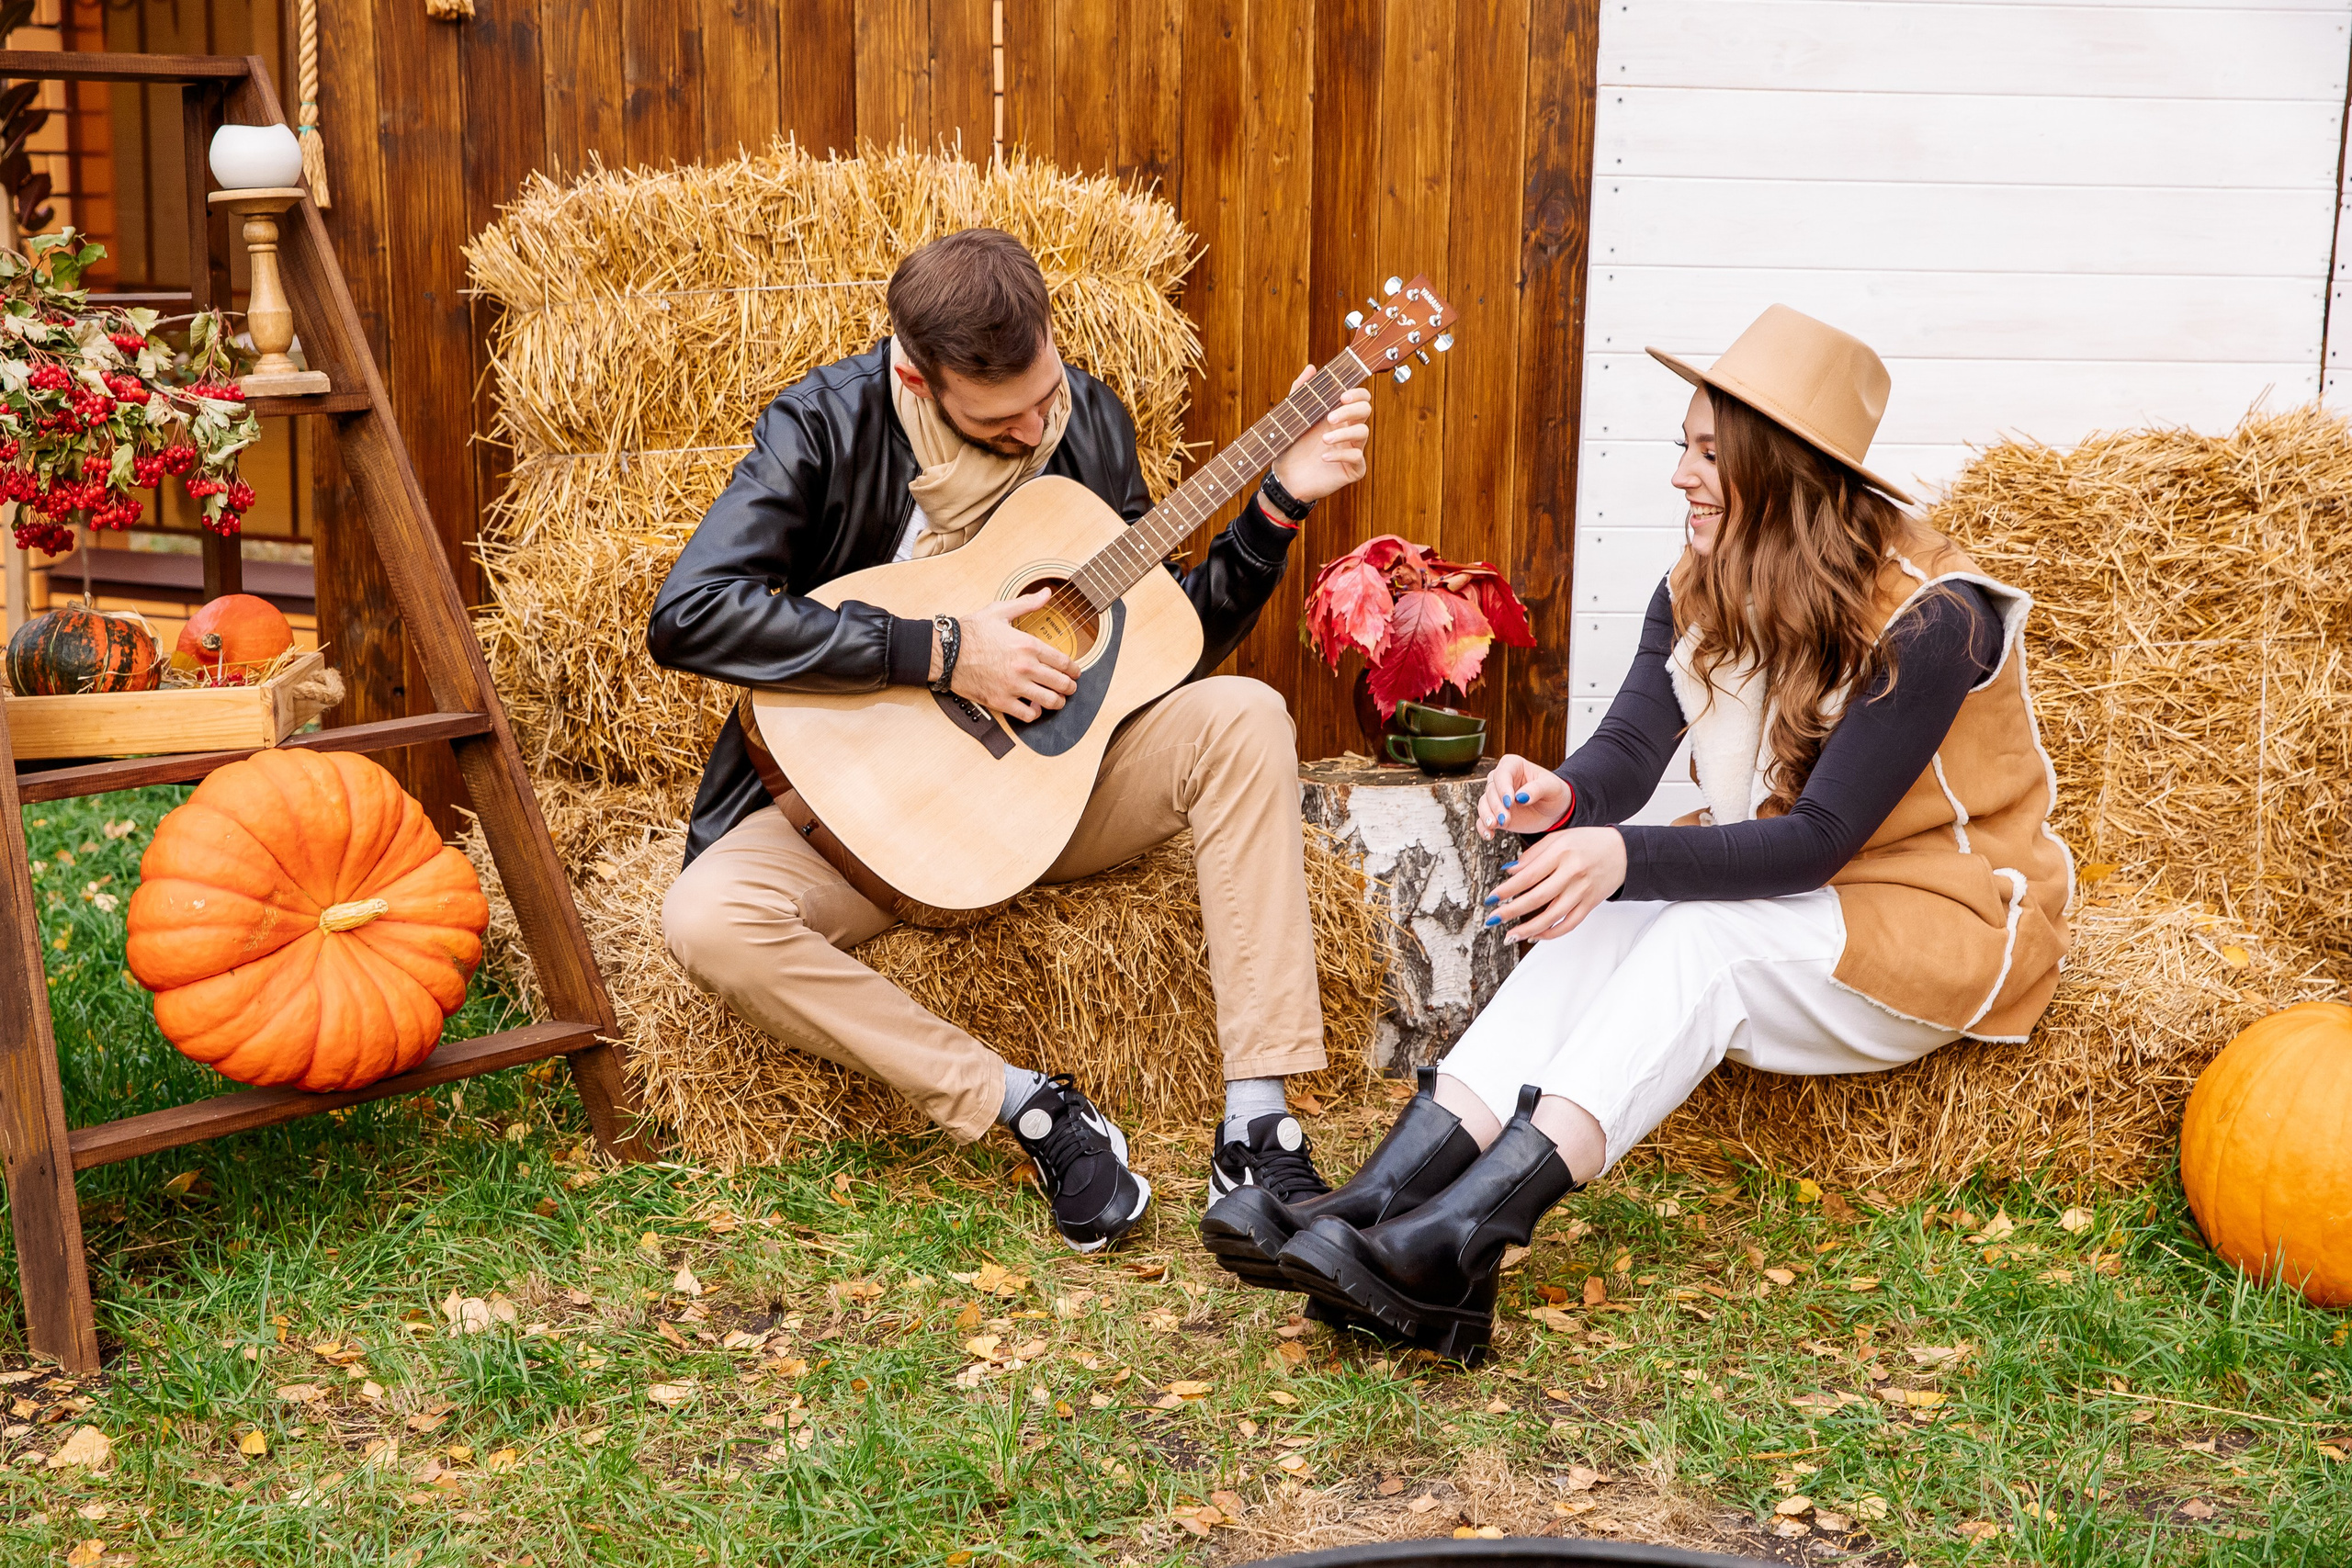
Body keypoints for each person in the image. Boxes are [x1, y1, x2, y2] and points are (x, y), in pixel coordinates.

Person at [1202, 305, 2072, 1358]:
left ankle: (1462, 1242)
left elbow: (1817, 840)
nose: (1680, 476)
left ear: (1783, 468)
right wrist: (1557, 797)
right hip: (1799, 907)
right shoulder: (1699, 585)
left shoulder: (1934, 619)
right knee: (1609, 915)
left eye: (1708, 454)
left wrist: (1623, 858)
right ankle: (1373, 1206)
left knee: (1683, 926)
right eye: (1683, 447)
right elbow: (1624, 757)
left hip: (1936, 920)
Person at [649, 229, 1374, 1254]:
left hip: (1045, 798)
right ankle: (1027, 1106)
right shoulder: (823, 426)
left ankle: (1258, 1120)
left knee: (1245, 713)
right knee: (707, 920)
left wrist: (1275, 505)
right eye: (1002, 416)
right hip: (866, 817)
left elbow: (1162, 643)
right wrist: (942, 649)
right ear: (916, 372)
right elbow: (691, 615)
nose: (1039, 423)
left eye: (1044, 392)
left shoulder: (1087, 423)